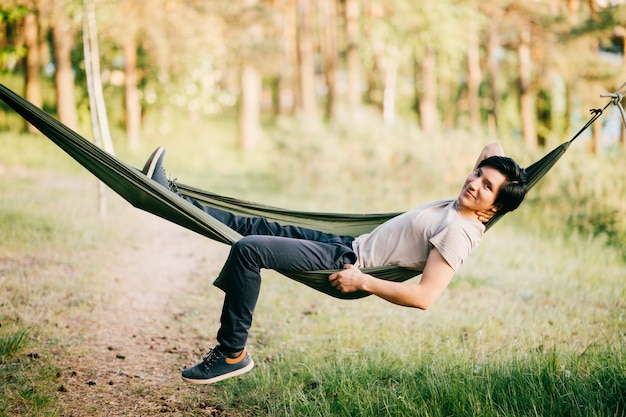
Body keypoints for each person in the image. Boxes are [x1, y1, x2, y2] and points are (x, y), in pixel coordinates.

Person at [141, 143, 527, 385]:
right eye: (478, 173)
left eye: (487, 186)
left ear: (492, 209)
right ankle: (168, 195)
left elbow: (425, 297)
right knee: (255, 225)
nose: (474, 182)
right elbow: (491, 148)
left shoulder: (459, 231)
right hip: (345, 243)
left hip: (347, 264)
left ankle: (231, 354)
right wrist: (514, 173)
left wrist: (363, 282)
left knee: (249, 249)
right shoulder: (467, 204)